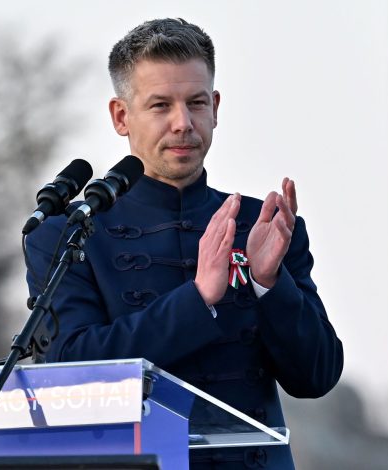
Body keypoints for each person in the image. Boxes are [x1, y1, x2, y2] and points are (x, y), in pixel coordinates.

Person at [25, 18, 343, 469]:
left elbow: (317, 375)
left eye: (196, 103)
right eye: (160, 105)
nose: (183, 123)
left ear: (215, 107)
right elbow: (72, 371)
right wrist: (196, 300)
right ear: (121, 116)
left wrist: (269, 284)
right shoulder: (66, 232)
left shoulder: (265, 226)